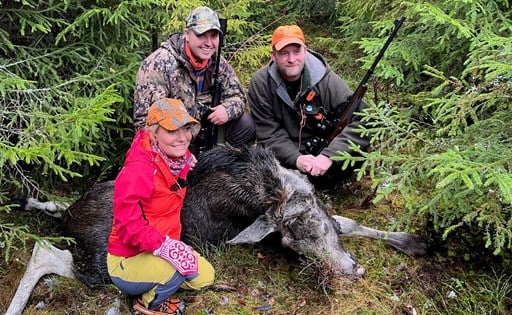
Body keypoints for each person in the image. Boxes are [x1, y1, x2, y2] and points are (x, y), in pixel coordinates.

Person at [107, 98, 215, 315]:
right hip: (128, 259)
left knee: (205, 277)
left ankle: (161, 278)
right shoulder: (138, 170)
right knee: (176, 269)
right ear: (154, 133)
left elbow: (169, 189)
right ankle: (146, 303)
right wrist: (166, 247)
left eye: (186, 129)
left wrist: (184, 167)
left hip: (158, 249)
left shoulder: (174, 160)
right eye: (172, 131)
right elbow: (129, 226)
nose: (183, 138)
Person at [248, 25, 370, 189]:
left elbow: (366, 119)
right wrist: (297, 159)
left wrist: (329, 155)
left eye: (296, 52)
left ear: (305, 51)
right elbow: (269, 133)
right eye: (284, 53)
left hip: (325, 153)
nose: (291, 59)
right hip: (287, 156)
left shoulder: (326, 81)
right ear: (273, 56)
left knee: (354, 156)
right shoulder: (261, 84)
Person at [133, 6, 255, 153]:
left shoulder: (217, 63)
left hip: (205, 135)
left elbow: (238, 97)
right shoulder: (159, 64)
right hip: (173, 140)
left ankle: (225, 169)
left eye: (214, 36)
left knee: (245, 124)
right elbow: (145, 121)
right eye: (201, 35)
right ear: (187, 34)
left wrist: (227, 110)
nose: (209, 43)